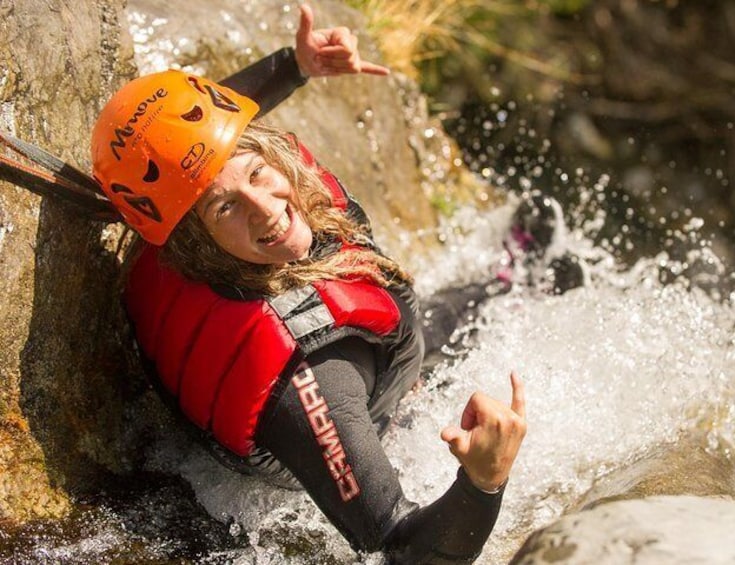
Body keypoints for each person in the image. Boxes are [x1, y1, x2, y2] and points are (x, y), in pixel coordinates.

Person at [91, 5, 526, 564]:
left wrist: (292, 66)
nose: (265, 207)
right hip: (338, 414)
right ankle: (517, 278)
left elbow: (185, 147)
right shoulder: (310, 378)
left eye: (256, 173)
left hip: (346, 334)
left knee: (478, 299)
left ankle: (512, 276)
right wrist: (484, 481)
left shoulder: (166, 210)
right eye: (226, 208)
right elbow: (404, 552)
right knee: (468, 316)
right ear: (194, 242)